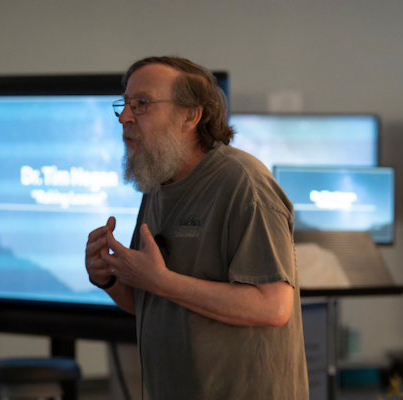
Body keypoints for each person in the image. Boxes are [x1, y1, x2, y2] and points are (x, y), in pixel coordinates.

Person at [85, 56, 309, 399]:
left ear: (191, 115)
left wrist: (162, 281)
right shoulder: (158, 183)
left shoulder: (244, 184)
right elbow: (151, 300)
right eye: (125, 104)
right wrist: (109, 277)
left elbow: (273, 306)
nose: (125, 117)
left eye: (141, 104)